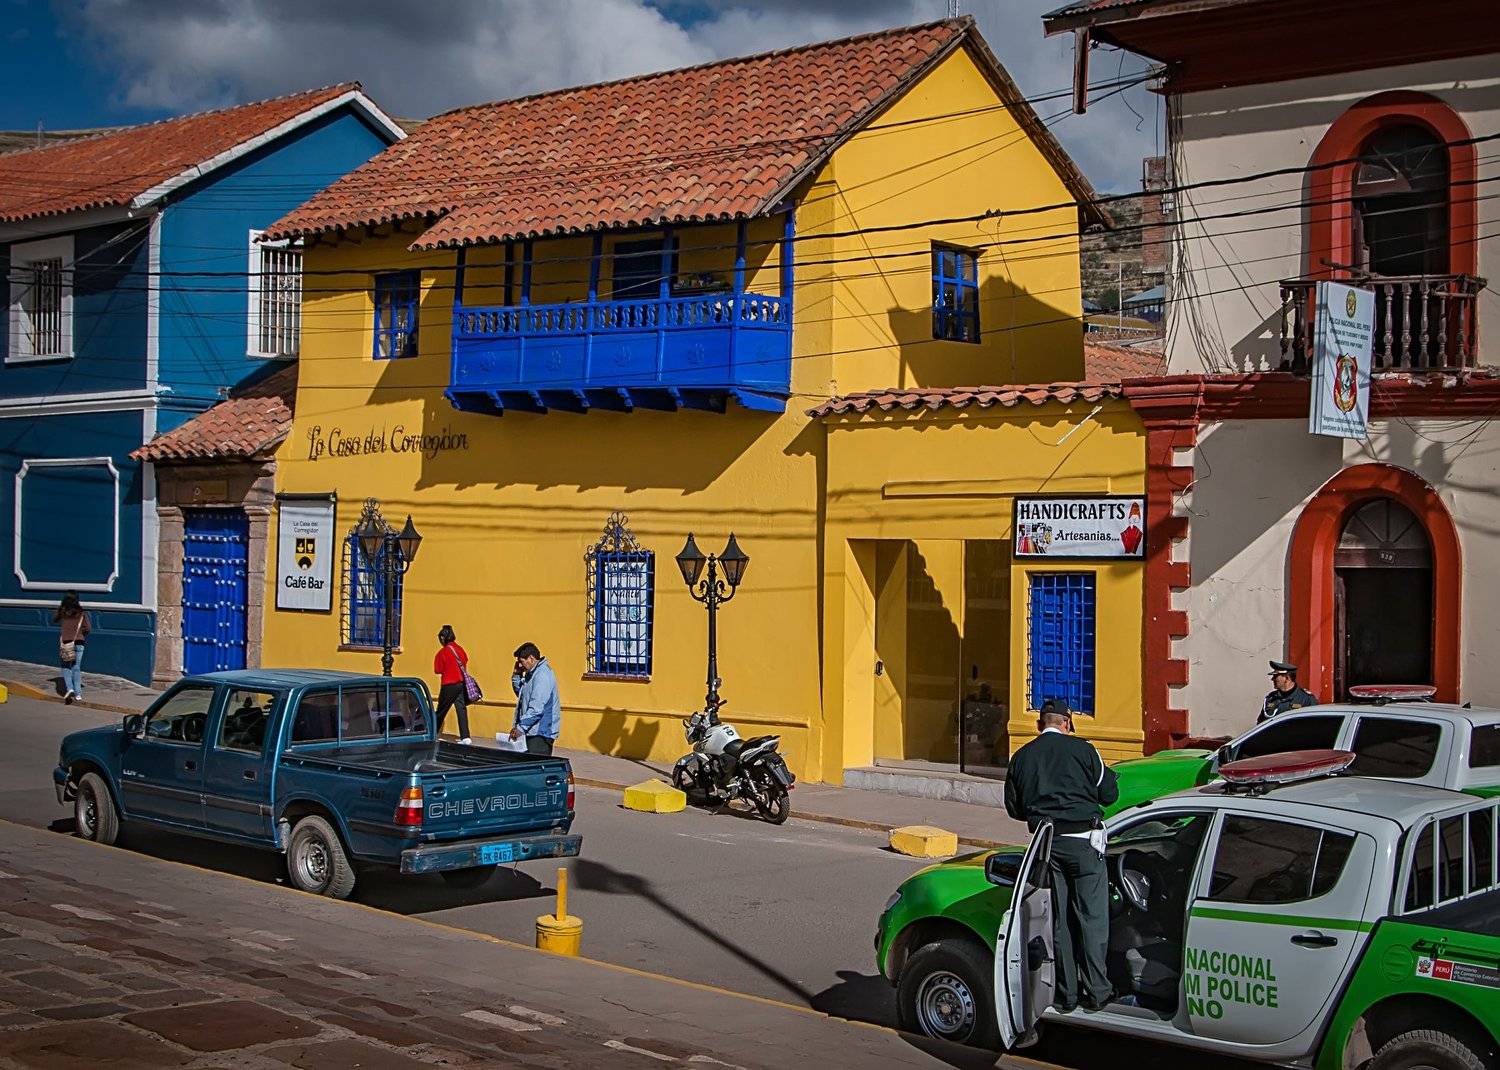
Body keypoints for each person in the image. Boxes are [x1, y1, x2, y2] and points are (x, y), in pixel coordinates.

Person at [1004, 697, 1119, 1015]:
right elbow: (1110, 794)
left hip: (1047, 847)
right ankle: (1098, 991)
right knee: (1092, 920)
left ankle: (1067, 994)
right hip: (1084, 845)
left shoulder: (1022, 757)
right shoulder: (1085, 751)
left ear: (1039, 724)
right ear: (1067, 723)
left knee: (1059, 921)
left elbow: (1015, 808)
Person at [508, 642, 560, 756]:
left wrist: (520, 728)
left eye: (521, 661)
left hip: (540, 734)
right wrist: (517, 674)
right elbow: (521, 695)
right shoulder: (532, 674)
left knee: (536, 765)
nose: (520, 665)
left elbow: (537, 709)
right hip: (531, 730)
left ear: (531, 658)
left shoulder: (542, 675)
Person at [433, 625, 472, 744]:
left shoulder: (443, 652)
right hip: (460, 683)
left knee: (441, 710)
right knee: (461, 709)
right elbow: (465, 660)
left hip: (448, 684)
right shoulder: (460, 649)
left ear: (443, 638)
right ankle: (465, 737)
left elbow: (438, 669)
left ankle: (432, 732)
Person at [53, 592, 91, 705]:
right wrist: (81, 634)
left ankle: (70, 688)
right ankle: (78, 694)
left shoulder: (63, 612)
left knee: (65, 666)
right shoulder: (82, 613)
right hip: (79, 642)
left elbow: (55, 620)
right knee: (76, 667)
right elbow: (88, 628)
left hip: (66, 643)